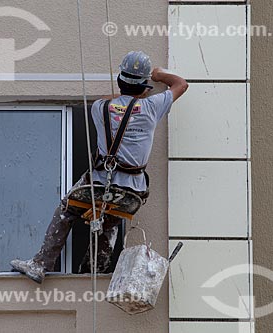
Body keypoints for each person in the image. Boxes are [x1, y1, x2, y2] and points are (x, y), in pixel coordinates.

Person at [10, 51, 188, 284]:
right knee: (110, 220)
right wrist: (159, 74)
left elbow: (117, 104)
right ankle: (92, 272)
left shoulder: (100, 108)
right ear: (144, 87)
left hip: (99, 183)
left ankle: (41, 264)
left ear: (119, 81)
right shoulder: (152, 107)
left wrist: (132, 93)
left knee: (67, 210)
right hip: (131, 191)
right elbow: (181, 85)